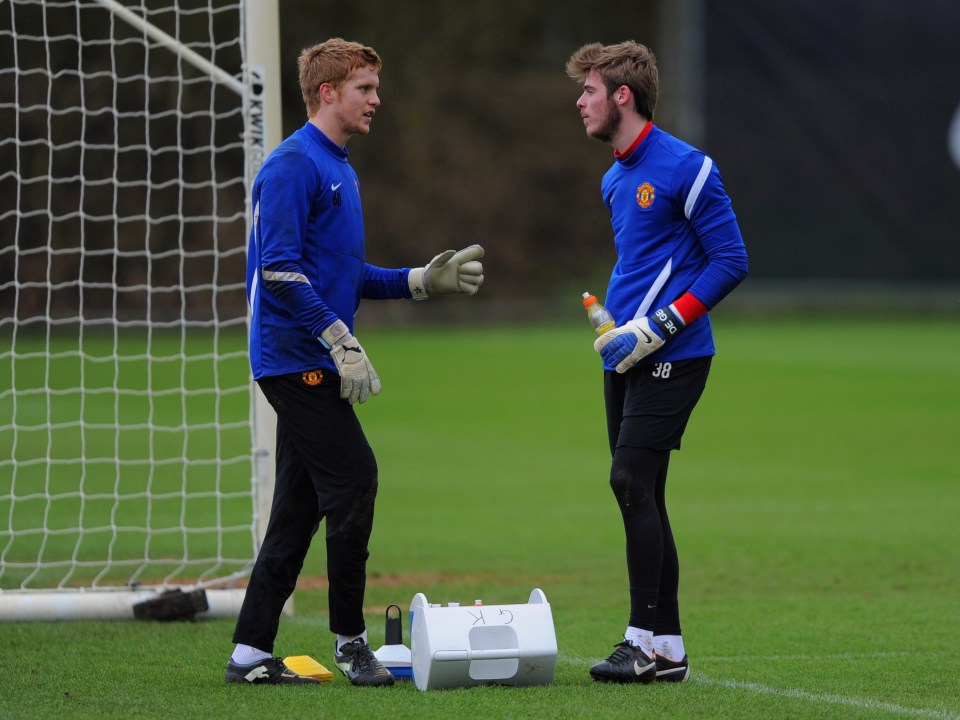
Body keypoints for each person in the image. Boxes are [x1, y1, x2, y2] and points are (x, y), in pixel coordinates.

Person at [225, 38, 485, 687]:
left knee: (298, 505)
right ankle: (351, 643)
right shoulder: (292, 166)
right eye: (365, 87)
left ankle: (250, 654)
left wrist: (420, 282)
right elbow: (282, 270)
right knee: (356, 480)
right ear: (327, 93)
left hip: (310, 355)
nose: (376, 99)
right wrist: (338, 338)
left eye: (375, 86)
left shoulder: (339, 165)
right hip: (294, 360)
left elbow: (342, 272)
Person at [566, 41, 748, 684]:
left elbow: (731, 260)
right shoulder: (613, 176)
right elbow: (645, 265)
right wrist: (620, 328)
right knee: (643, 493)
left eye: (588, 90)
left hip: (679, 355)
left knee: (629, 481)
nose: (579, 102)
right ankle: (667, 649)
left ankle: (640, 640)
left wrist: (663, 324)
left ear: (622, 95)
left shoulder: (688, 166)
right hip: (625, 358)